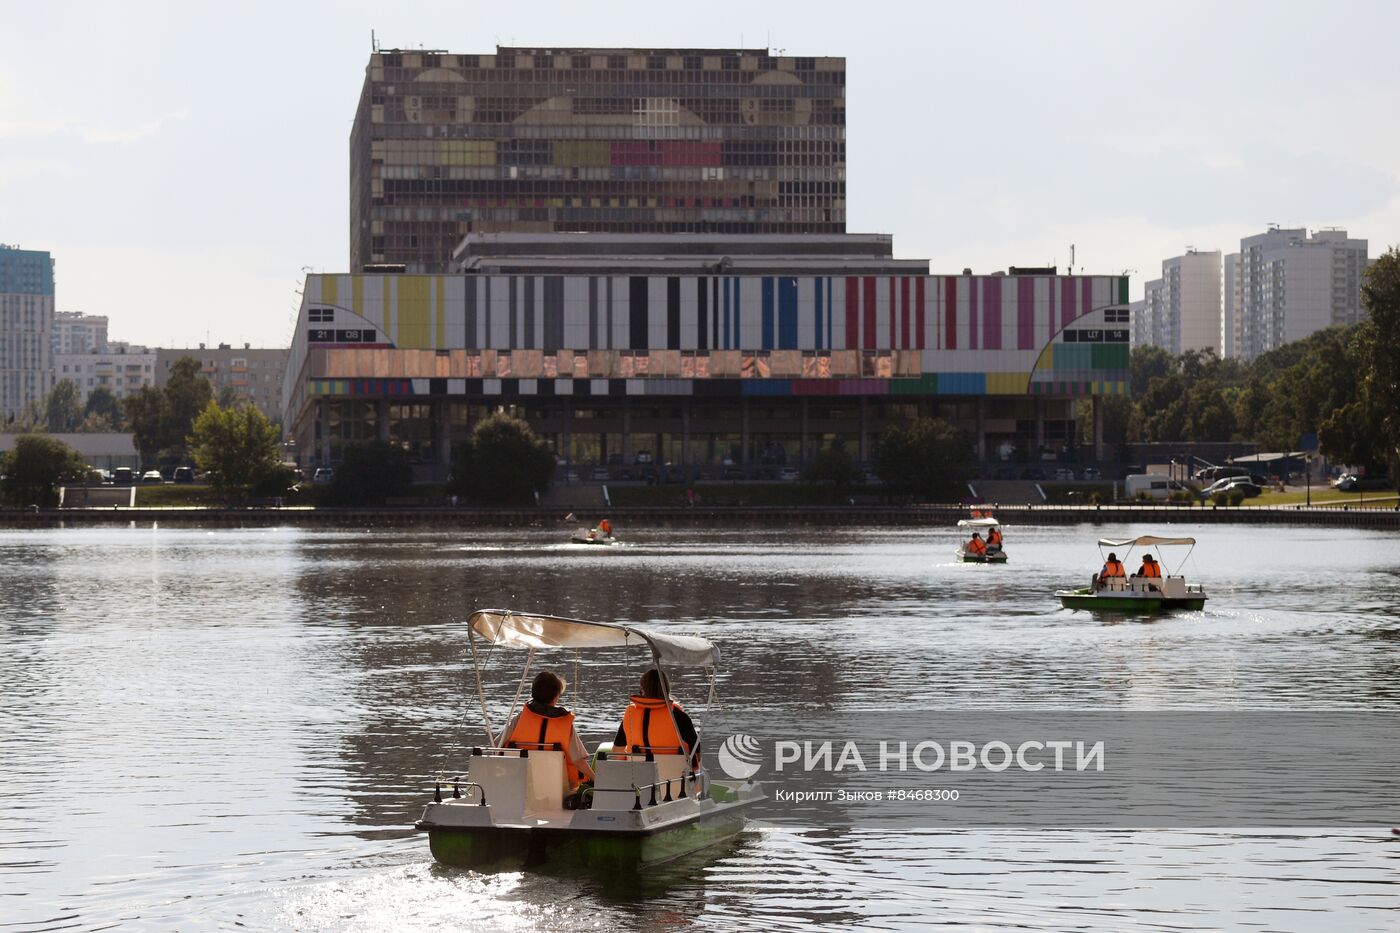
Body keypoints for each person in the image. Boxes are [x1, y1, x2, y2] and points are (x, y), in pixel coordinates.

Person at [501, 671, 594, 788]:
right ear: (555, 697)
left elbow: (496, 744)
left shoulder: (520, 718)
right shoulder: (564, 724)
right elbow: (578, 761)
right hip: (557, 787)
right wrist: (595, 779)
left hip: (517, 783)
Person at [614, 669, 699, 768]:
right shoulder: (679, 716)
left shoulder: (630, 715)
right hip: (677, 779)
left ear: (643, 690)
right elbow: (697, 756)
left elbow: (618, 753)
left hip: (638, 778)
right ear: (667, 689)